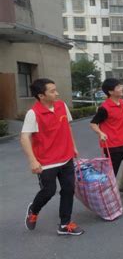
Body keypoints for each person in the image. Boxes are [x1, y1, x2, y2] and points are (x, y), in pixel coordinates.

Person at [21, 78, 84, 236]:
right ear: (41, 96)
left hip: (66, 156)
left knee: (68, 189)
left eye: (56, 90)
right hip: (46, 162)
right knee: (49, 191)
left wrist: (73, 146)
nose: (57, 93)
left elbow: (67, 127)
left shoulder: (62, 106)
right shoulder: (33, 113)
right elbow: (24, 137)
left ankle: (65, 224)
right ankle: (34, 210)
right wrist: (33, 160)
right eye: (52, 91)